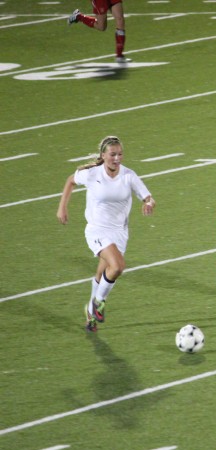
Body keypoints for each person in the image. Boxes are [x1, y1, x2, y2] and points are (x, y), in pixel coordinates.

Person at [57, 136, 155, 332]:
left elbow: (148, 196)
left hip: (119, 232)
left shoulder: (128, 175)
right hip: (97, 229)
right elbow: (70, 181)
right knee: (117, 267)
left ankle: (90, 316)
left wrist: (148, 203)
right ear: (103, 155)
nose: (117, 158)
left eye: (120, 154)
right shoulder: (92, 174)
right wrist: (62, 207)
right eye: (112, 154)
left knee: (102, 274)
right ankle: (97, 303)